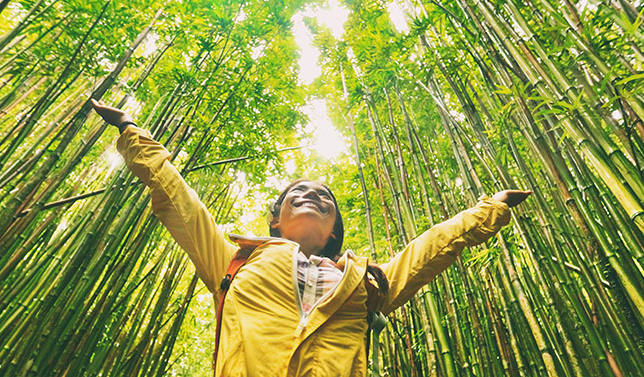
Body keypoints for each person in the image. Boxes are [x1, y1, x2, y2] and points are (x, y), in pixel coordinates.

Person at [90, 99, 531, 376]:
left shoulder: (368, 282)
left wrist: (491, 209)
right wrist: (131, 131)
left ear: (335, 227)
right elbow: (177, 198)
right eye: (296, 193)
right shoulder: (232, 260)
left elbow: (431, 246)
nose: (310, 195)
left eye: (323, 195)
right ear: (275, 220)